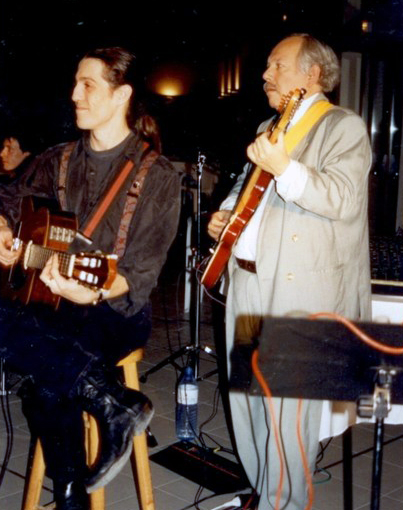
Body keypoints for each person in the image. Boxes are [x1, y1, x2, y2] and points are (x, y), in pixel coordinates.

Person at [0, 47, 181, 510]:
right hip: (50, 302)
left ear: (121, 95)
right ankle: (110, 401)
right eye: (76, 83)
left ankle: (71, 495)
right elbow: (8, 201)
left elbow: (139, 273)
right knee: (45, 354)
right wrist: (2, 229)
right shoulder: (56, 159)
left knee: (46, 378)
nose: (74, 94)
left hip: (114, 309)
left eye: (88, 85)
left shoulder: (158, 176)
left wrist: (92, 291)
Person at [207, 34, 371, 509]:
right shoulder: (271, 125)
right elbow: (246, 186)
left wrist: (283, 166)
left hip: (298, 294)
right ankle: (264, 494)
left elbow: (343, 199)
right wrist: (226, 213)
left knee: (287, 413)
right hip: (248, 283)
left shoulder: (343, 125)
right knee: (249, 400)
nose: (266, 75)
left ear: (311, 74)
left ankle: (285, 504)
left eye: (277, 65)